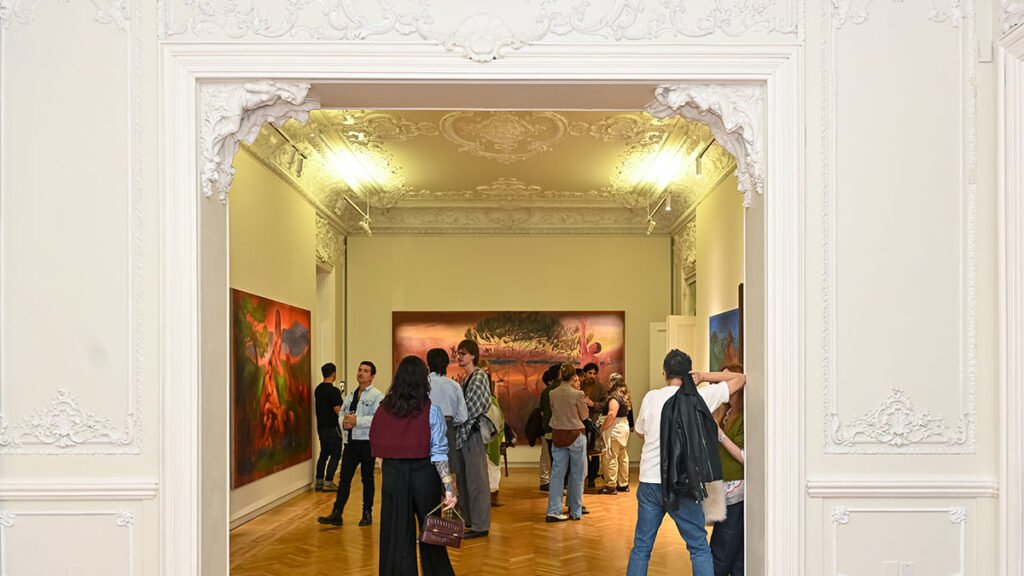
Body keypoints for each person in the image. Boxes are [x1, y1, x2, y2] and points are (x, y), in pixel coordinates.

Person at [626, 350, 746, 576]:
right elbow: (740, 379)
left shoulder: (651, 397)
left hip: (650, 481)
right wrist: (702, 376)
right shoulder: (700, 397)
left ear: (665, 373)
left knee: (642, 547)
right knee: (698, 546)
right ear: (688, 373)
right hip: (683, 481)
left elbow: (640, 431)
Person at [369, 355, 458, 576]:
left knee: (396, 535)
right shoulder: (431, 411)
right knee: (432, 535)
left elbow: (378, 450)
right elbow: (438, 452)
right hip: (424, 476)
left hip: (393, 476)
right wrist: (449, 487)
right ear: (422, 380)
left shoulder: (382, 410)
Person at [317, 361, 383, 527]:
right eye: (360, 370)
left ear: (372, 376)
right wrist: (344, 423)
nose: (361, 373)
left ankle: (366, 513)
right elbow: (342, 414)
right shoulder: (350, 395)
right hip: (350, 443)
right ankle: (337, 513)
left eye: (366, 371)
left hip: (366, 443)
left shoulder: (377, 396)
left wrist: (357, 421)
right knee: (344, 478)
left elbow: (378, 419)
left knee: (367, 479)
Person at [452, 339, 491, 539]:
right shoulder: (466, 379)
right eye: (458, 353)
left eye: (463, 353)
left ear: (473, 355)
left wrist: (454, 419)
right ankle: (470, 520)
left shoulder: (478, 377)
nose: (459, 356)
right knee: (465, 481)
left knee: (477, 481)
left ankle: (480, 524)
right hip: (464, 434)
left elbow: (472, 408)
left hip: (472, 434)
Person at [710, 363, 745, 576]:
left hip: (736, 490)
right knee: (725, 543)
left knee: (724, 546)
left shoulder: (743, 416)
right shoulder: (726, 411)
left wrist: (719, 434)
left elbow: (743, 456)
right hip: (723, 486)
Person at [545, 363, 590, 522]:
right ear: (573, 378)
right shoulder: (577, 394)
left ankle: (553, 510)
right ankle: (575, 510)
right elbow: (584, 416)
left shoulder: (553, 393)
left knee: (557, 474)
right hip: (576, 434)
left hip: (558, 434)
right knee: (577, 474)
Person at [427, 348, 468, 495]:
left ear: (428, 363)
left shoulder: (424, 383)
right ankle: (450, 512)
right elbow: (462, 416)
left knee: (428, 473)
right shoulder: (454, 385)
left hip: (427, 429)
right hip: (447, 430)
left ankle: (431, 514)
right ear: (446, 364)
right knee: (448, 474)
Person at [599, 373, 632, 495]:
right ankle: (623, 483)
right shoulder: (624, 396)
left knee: (610, 456)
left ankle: (610, 485)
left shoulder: (614, 398)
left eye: (609, 381)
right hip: (623, 426)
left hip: (615, 428)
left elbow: (612, 414)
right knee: (622, 457)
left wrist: (603, 428)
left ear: (613, 383)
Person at [478, 360, 506, 507]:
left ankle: (492, 496)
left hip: (491, 437)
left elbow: (498, 418)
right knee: (486, 467)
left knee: (492, 467)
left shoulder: (491, 396)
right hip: (482, 436)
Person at [314, 362, 343, 491]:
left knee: (324, 453)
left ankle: (318, 481)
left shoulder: (318, 389)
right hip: (332, 426)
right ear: (333, 374)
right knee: (336, 454)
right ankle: (328, 482)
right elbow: (337, 410)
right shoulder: (334, 391)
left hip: (321, 426)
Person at [580, 362, 604, 489]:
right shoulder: (578, 385)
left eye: (594, 373)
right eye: (590, 373)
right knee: (582, 451)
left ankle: (592, 478)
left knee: (595, 453)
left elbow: (605, 404)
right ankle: (583, 477)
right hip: (580, 423)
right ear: (584, 373)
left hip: (594, 422)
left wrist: (593, 404)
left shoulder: (600, 387)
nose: (592, 376)